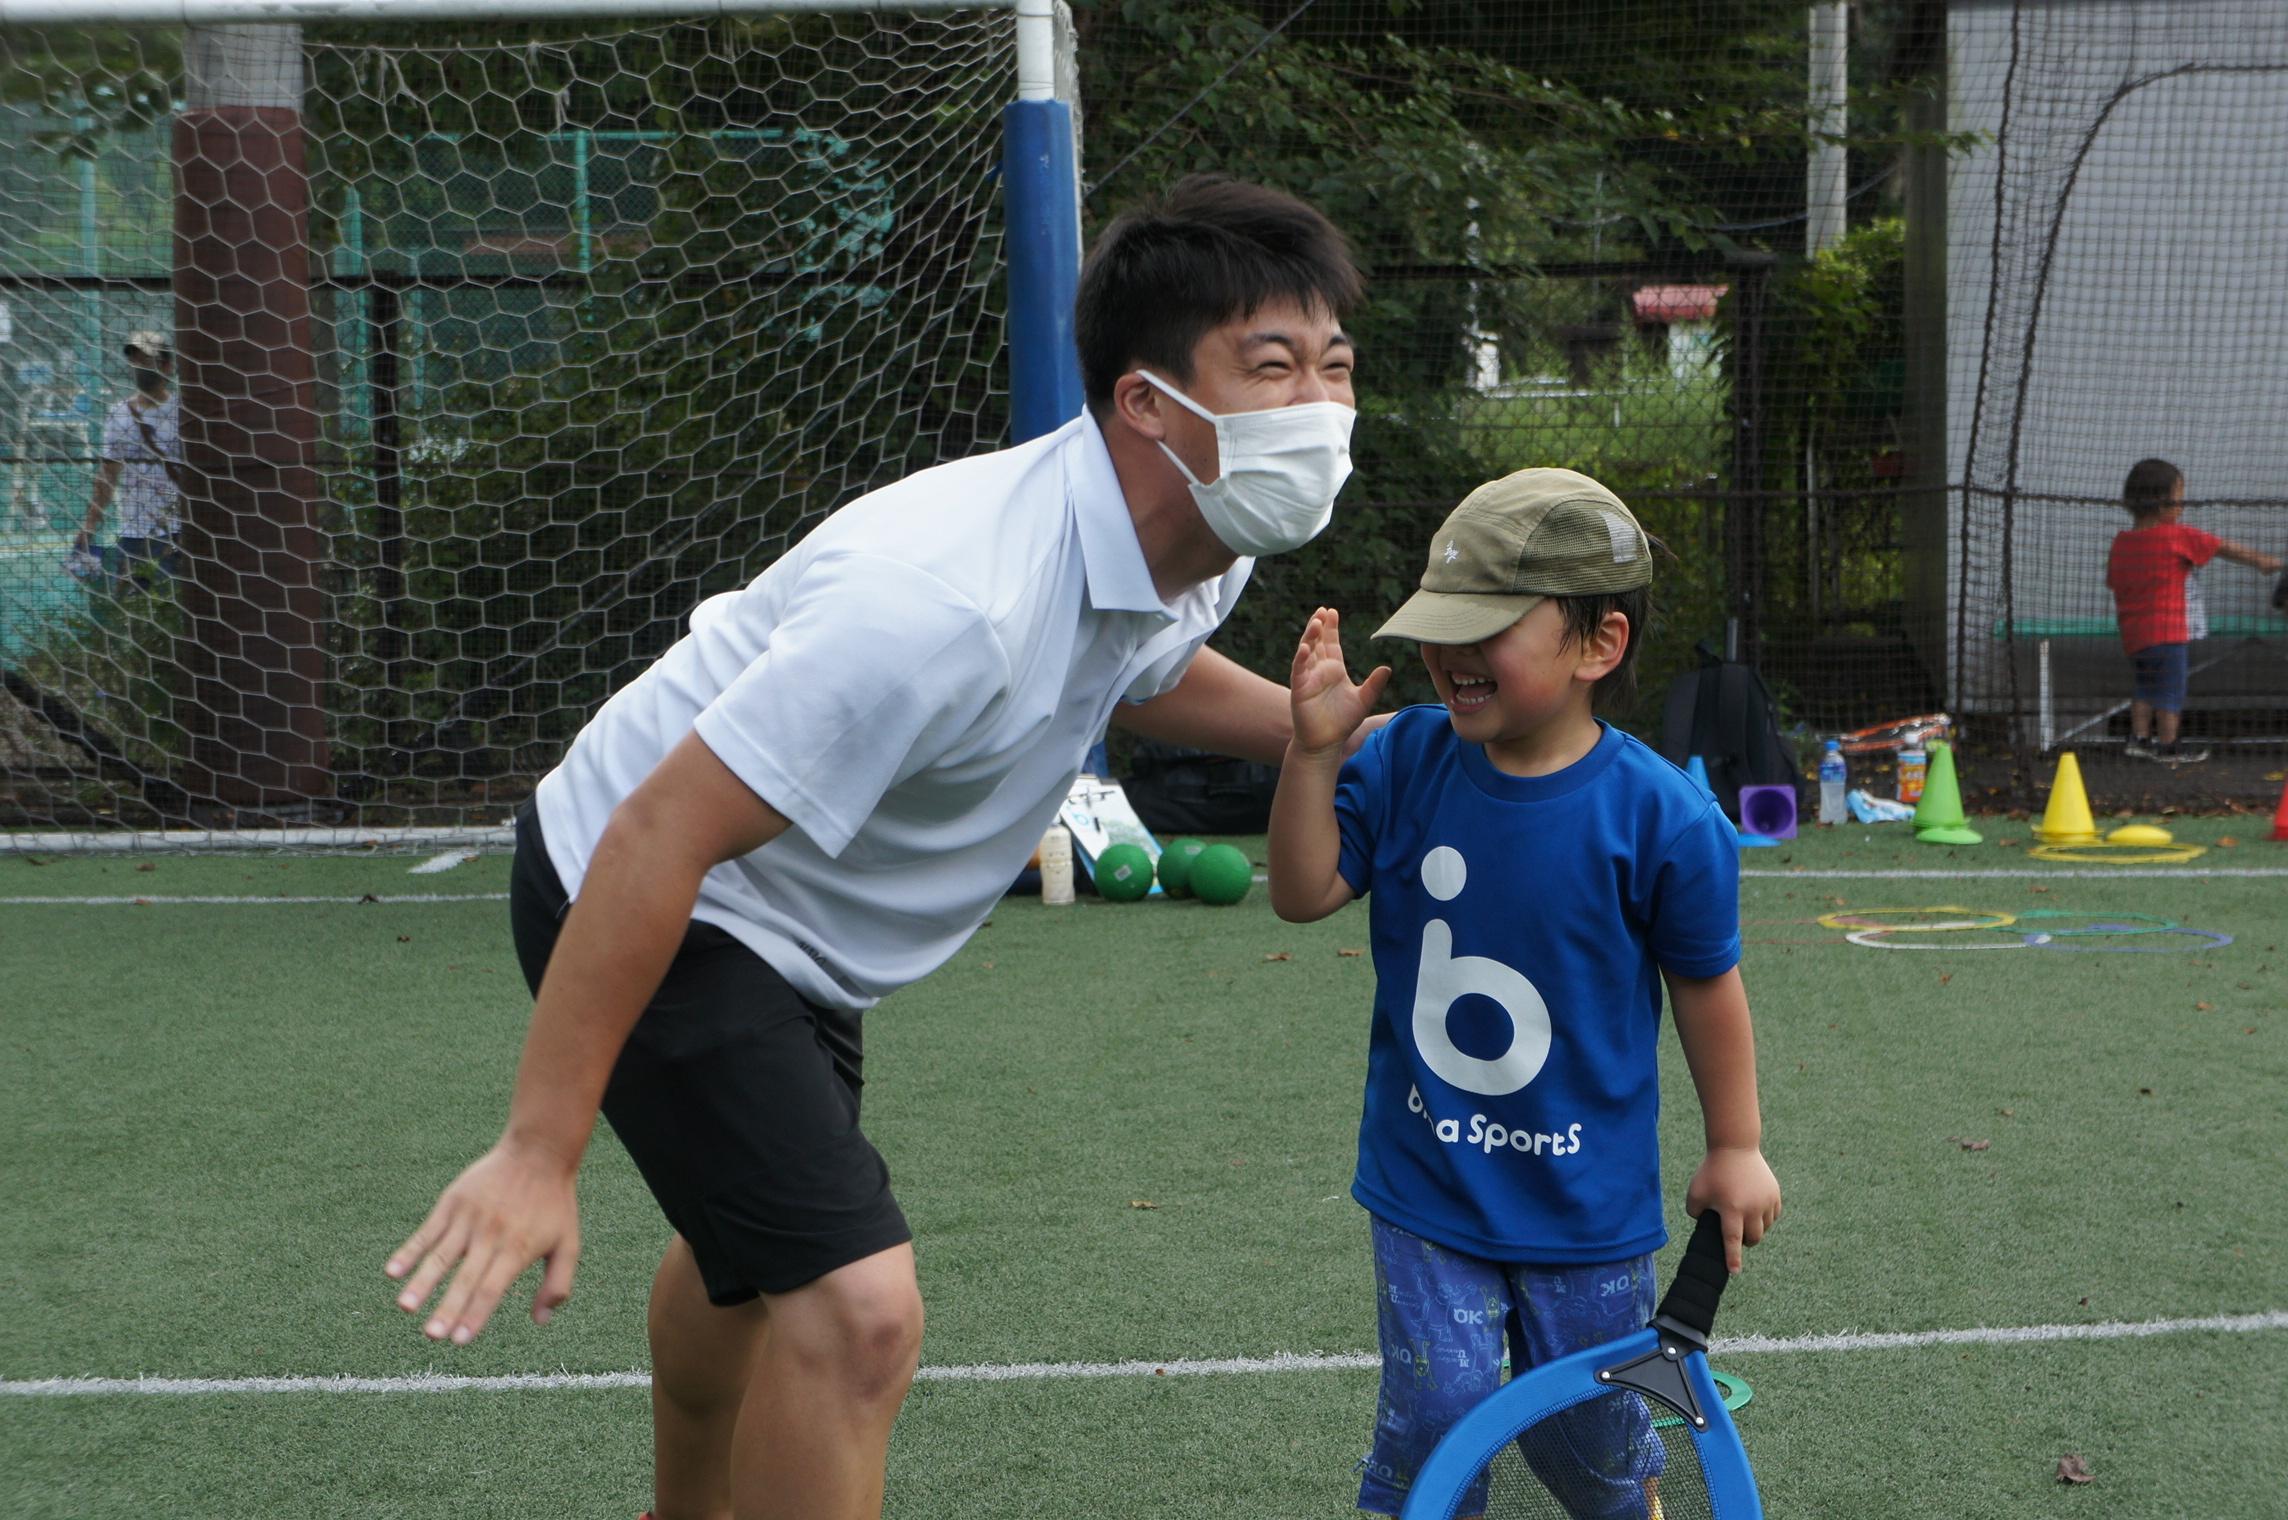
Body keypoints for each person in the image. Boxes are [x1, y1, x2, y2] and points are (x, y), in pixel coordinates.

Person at [383, 174, 1363, 1520]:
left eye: (1334, 366)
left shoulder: (1204, 526)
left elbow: (1139, 665)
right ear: (1147, 401)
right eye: (1273, 368)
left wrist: (1334, 740)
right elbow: (660, 829)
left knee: (750, 1262)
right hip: (664, 883)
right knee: (855, 1310)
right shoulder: (944, 600)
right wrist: (537, 1152)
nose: (1318, 408)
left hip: (799, 932)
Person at [1266, 467, 1782, 1519]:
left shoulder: (1660, 816)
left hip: (1584, 1205)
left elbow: (1705, 985)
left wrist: (1734, 1144)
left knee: (1591, 1436)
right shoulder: (1406, 758)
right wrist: (1310, 754)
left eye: (1486, 627)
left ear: (1599, 644)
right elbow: (1301, 889)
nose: (1449, 654)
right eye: (1438, 626)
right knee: (1436, 1410)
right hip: (1428, 1184)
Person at [2104, 458, 2283, 765]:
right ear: (2163, 504)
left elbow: (2113, 581)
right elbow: (2221, 547)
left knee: (2145, 685)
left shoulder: (2123, 543)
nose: (2182, 506)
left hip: (2134, 635)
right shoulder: (2176, 535)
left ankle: (2139, 738)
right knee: (2171, 689)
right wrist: (2262, 561)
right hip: (2168, 632)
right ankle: (2169, 744)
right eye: (2179, 498)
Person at [72, 330, 183, 591]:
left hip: (178, 530)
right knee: (129, 606)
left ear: (167, 366)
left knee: (172, 601)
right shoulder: (119, 413)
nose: (140, 366)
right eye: (136, 360)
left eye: (148, 360)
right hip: (133, 530)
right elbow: (108, 475)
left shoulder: (183, 411)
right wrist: (89, 525)